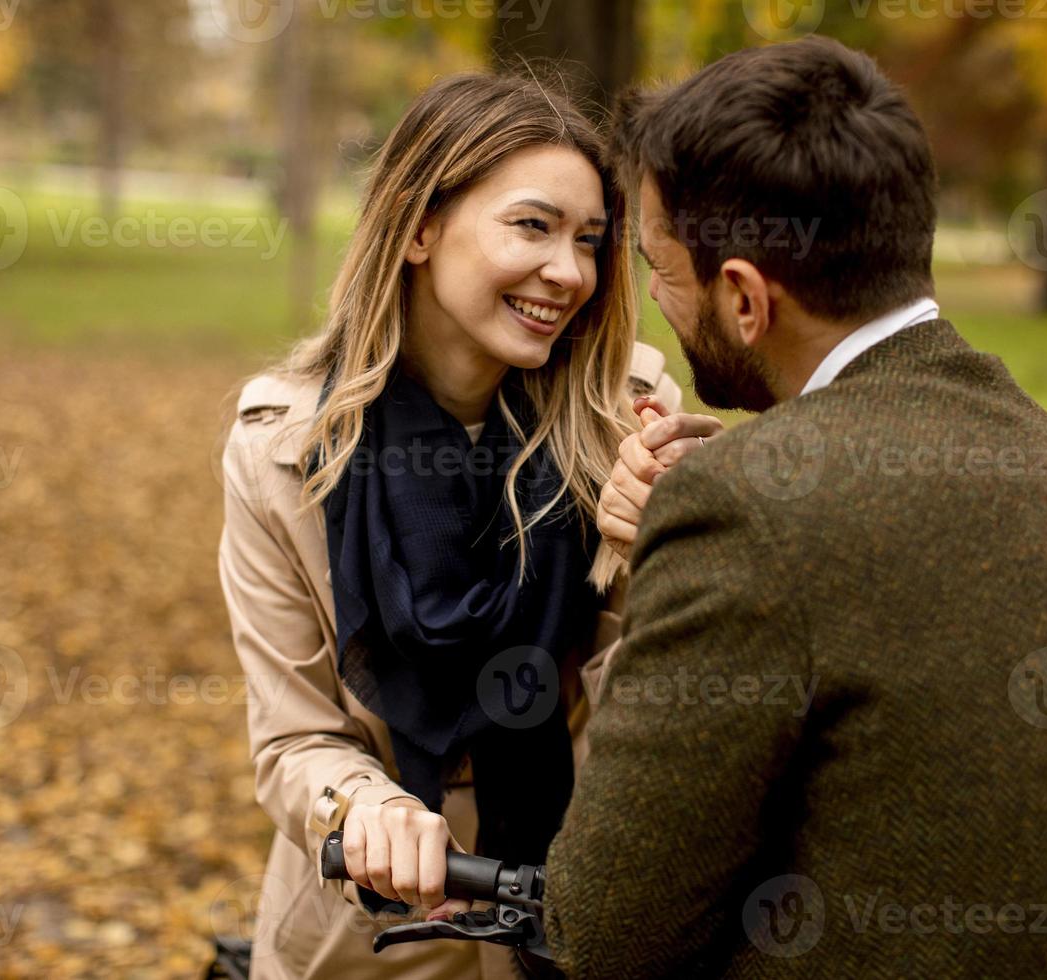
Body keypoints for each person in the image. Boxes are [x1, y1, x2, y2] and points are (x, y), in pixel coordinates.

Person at [546, 37, 1047, 978]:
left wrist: (692, 555)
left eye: (657, 268)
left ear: (746, 299)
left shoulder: (746, 512)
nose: (652, 304)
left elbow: (602, 935)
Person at [216, 71, 698, 980]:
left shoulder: (629, 426)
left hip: (580, 919)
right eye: (533, 226)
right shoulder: (284, 451)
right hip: (369, 938)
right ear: (418, 228)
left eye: (591, 241)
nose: (570, 272)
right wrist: (364, 810)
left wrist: (650, 555)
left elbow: (664, 720)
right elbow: (293, 736)